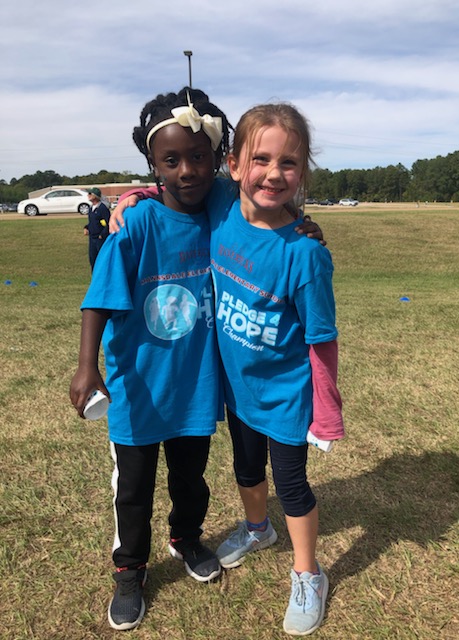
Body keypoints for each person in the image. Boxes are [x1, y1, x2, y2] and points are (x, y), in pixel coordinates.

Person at [110, 100, 344, 636]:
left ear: (303, 172)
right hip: (235, 389)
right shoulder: (221, 204)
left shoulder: (304, 252)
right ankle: (257, 528)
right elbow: (175, 188)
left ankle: (308, 573)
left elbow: (321, 339)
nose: (273, 173)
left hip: (285, 394)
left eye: (289, 164)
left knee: (291, 482)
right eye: (260, 159)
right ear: (234, 165)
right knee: (245, 471)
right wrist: (134, 193)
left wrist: (327, 413)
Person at [70, 88, 233, 631]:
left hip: (193, 385)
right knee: (133, 488)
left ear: (215, 157)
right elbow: (100, 296)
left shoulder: (221, 214)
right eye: (171, 160)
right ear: (152, 165)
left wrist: (302, 226)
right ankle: (130, 569)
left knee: (192, 478)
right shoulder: (135, 223)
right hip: (138, 387)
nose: (187, 170)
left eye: (198, 156)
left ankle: (187, 537)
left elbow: (267, 208)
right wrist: (86, 366)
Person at [83, 187, 111, 271]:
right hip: (92, 238)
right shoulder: (91, 208)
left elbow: (108, 223)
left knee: (101, 259)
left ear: (95, 196)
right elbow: (92, 222)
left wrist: (102, 235)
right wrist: (86, 227)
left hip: (100, 238)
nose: (88, 195)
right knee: (93, 259)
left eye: (90, 194)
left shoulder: (102, 208)